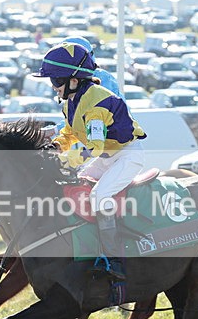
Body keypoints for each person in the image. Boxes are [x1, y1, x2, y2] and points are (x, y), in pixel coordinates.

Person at [33, 42, 146, 282]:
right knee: (78, 186)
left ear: (73, 80)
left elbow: (94, 146)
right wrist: (55, 147)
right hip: (108, 157)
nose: (53, 87)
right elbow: (72, 133)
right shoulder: (73, 100)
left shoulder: (96, 103)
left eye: (55, 81)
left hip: (126, 156)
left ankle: (115, 259)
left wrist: (66, 160)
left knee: (98, 197)